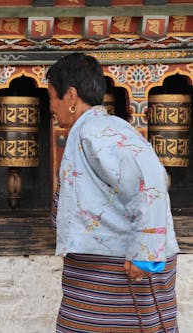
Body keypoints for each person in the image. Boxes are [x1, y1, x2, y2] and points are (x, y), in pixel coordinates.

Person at [47, 53, 180, 333]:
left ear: (70, 96)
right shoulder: (89, 131)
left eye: (52, 97)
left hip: (124, 269)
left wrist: (145, 252)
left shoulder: (102, 132)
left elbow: (151, 180)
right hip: (96, 269)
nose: (51, 107)